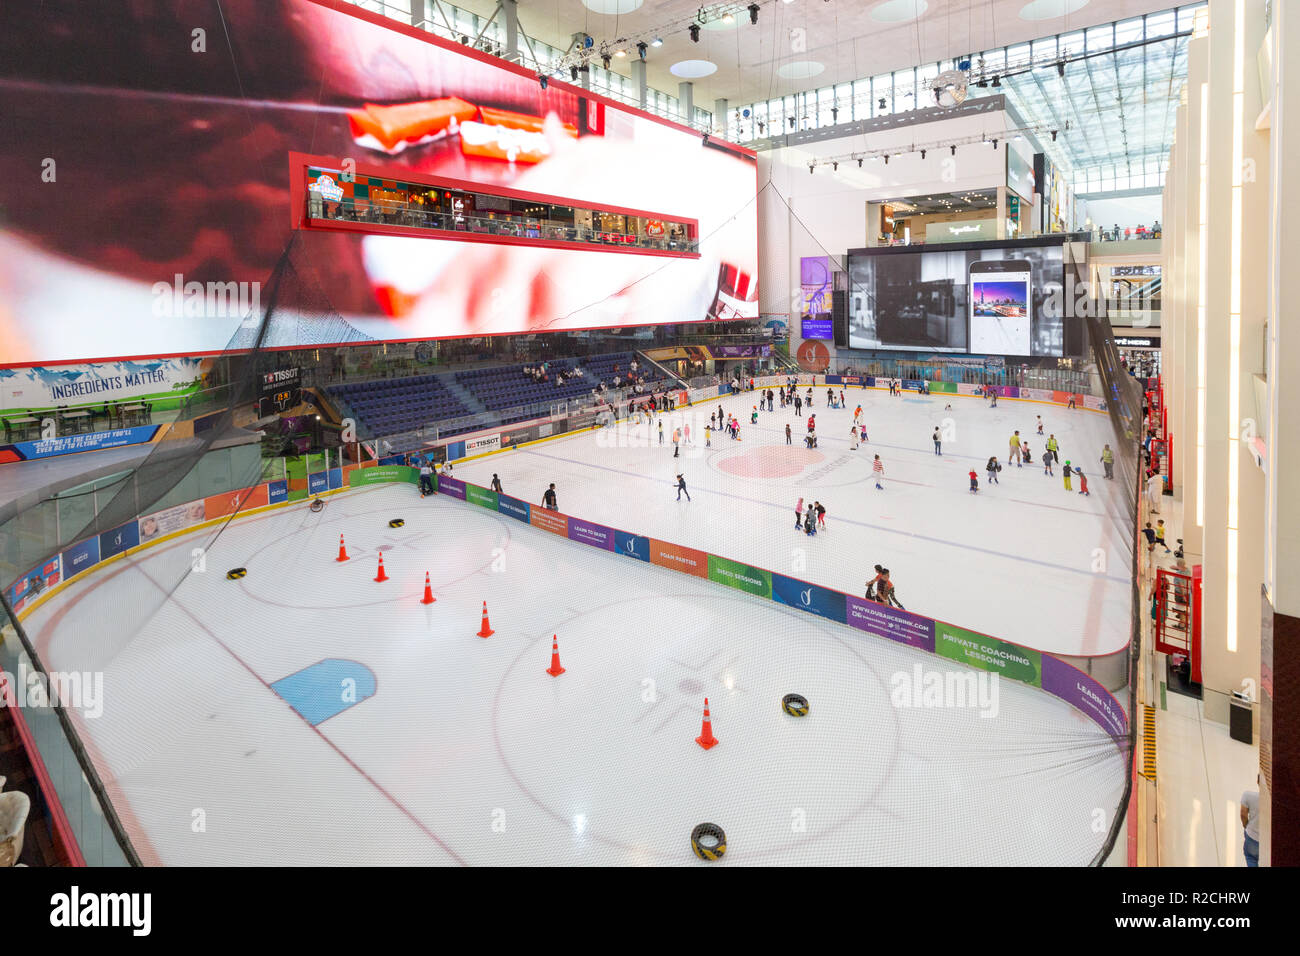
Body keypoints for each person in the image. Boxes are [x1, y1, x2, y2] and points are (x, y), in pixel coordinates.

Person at [1241, 777, 1260, 867]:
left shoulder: (1248, 795)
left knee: (1251, 859)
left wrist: (1246, 826)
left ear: (1257, 781)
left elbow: (1243, 815)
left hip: (1252, 836)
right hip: (1269, 840)